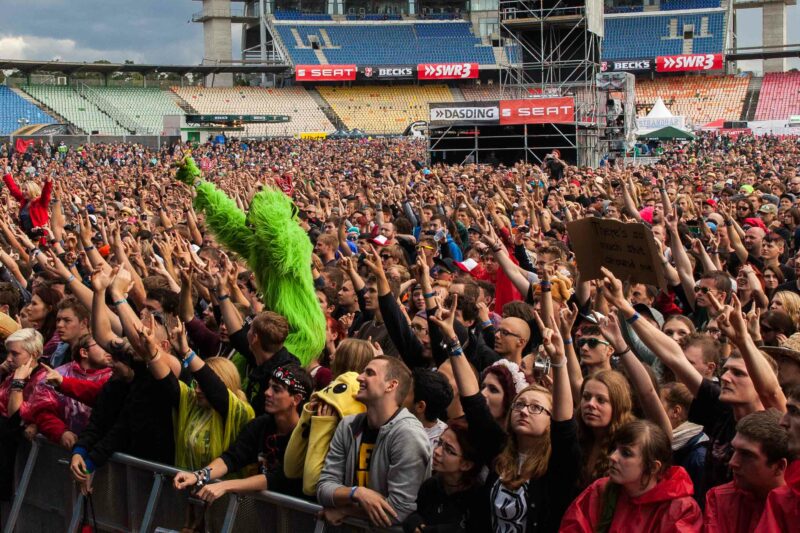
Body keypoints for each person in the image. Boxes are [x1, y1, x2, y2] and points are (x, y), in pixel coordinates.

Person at [431, 295, 581, 532]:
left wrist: (559, 362)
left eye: (536, 408)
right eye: (520, 405)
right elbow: (473, 402)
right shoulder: (500, 450)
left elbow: (565, 424)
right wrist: (452, 340)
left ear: (550, 419)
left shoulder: (557, 463)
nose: (524, 411)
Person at [317, 356, 430, 529]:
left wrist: (346, 510)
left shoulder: (408, 434)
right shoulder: (348, 425)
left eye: (369, 373)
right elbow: (324, 487)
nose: (359, 377)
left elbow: (399, 510)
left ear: (391, 385)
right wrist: (357, 493)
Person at [173, 365, 312, 502]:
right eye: (269, 386)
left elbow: (276, 478)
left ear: (296, 399)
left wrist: (224, 486)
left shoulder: (306, 434)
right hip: (265, 509)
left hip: (298, 512)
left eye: (276, 389)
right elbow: (232, 458)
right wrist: (198, 476)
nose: (267, 392)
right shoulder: (261, 424)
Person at [560, 420, 703, 532]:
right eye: (615, 449)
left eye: (626, 453)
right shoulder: (600, 489)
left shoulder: (681, 509)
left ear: (653, 467)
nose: (612, 457)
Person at [703, 410, 790, 532]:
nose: (732, 462)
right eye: (734, 450)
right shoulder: (721, 498)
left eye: (746, 455)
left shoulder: (794, 510)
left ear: (779, 466)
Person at [22, 334, 113, 448]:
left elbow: (97, 392)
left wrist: (62, 382)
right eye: (101, 344)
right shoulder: (58, 374)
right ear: (84, 352)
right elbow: (43, 410)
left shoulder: (114, 376)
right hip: (59, 449)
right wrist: (61, 432)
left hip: (98, 448)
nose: (108, 349)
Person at [402, 418, 487, 533]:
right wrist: (414, 522)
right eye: (440, 443)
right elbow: (417, 513)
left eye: (449, 450)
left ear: (466, 465)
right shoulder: (431, 485)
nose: (437, 451)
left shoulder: (479, 499)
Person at [0, 328, 47, 500]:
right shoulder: (10, 373)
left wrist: (18, 383)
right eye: (8, 353)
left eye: (15, 354)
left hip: (11, 458)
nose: (8, 358)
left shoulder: (43, 379)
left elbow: (15, 418)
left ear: (33, 354)